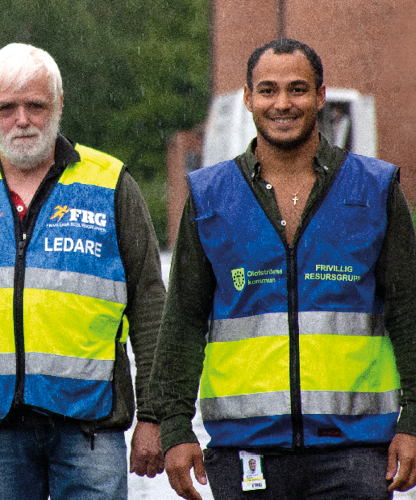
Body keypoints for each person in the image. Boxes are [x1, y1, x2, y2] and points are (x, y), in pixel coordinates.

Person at [150, 38, 416, 500]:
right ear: (248, 97)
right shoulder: (210, 196)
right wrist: (173, 425)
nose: (283, 104)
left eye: (297, 89)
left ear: (320, 96)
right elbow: (184, 322)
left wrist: (413, 421)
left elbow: (410, 314)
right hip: (243, 453)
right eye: (268, 90)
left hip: (355, 452)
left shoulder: (375, 188)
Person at [0, 42, 166, 500]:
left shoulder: (111, 184)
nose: (23, 119)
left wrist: (154, 416)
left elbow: (152, 308)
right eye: (7, 107)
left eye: (36, 105)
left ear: (59, 105)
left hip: (90, 430)